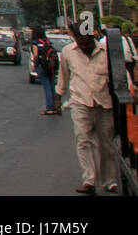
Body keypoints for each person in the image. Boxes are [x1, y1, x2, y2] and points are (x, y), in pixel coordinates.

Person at [56, 22, 117, 194]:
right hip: (80, 101)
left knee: (106, 143)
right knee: (83, 139)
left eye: (86, 43)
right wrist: (59, 95)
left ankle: (109, 180)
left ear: (92, 38)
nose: (83, 47)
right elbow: (64, 76)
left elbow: (119, 76)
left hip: (104, 103)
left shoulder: (106, 53)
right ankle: (90, 179)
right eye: (79, 42)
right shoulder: (68, 52)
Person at [29, 27, 59, 115]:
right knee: (52, 86)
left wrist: (35, 65)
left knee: (47, 88)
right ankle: (54, 107)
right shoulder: (47, 41)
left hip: (42, 66)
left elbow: (35, 55)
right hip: (51, 66)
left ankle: (49, 108)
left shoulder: (35, 43)